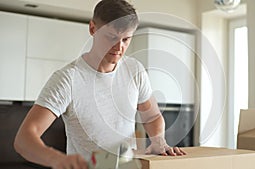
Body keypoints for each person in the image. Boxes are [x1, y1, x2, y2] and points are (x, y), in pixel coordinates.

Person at [14, 0, 186, 169]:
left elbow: (152, 116)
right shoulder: (67, 79)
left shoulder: (134, 70)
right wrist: (58, 160)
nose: (119, 47)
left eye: (126, 39)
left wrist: (158, 140)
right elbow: (24, 139)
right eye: (112, 37)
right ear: (92, 28)